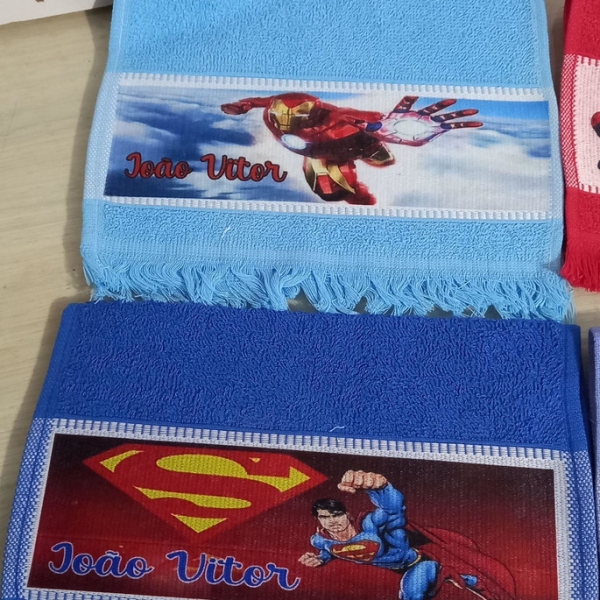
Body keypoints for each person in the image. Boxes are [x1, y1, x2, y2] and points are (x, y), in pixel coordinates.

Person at [299, 470, 516, 600]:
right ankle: (458, 578)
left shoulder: (370, 525)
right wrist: (321, 558)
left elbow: (393, 511)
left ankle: (462, 577)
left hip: (419, 563)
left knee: (411, 594)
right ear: (319, 520)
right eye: (325, 517)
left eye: (336, 515)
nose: (332, 521)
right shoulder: (323, 539)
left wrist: (381, 488)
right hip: (399, 568)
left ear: (347, 515)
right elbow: (333, 550)